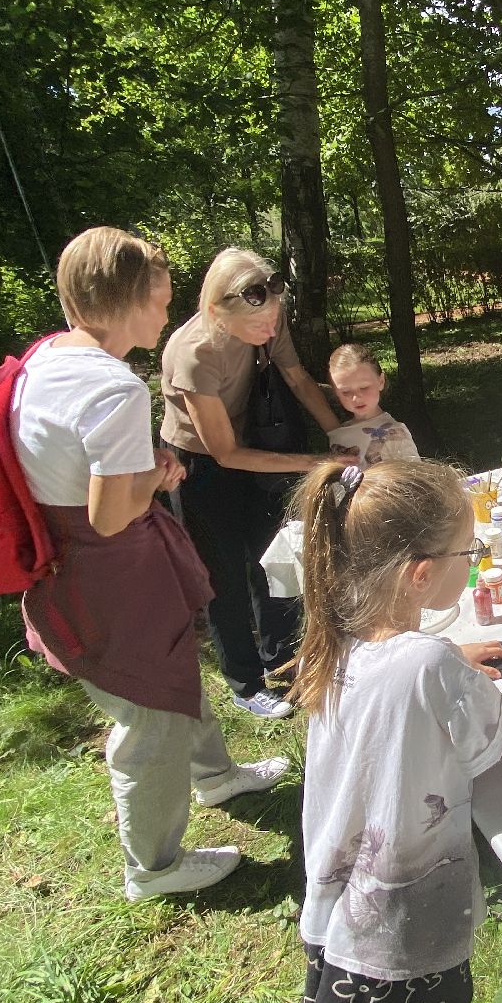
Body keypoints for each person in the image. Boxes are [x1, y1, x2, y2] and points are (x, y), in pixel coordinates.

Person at [12, 227, 287, 901]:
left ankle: (216, 776)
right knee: (147, 722)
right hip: (105, 571)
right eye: (161, 301)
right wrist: (157, 476)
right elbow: (110, 514)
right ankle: (155, 867)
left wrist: (141, 473)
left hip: (79, 563)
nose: (168, 316)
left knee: (173, 673)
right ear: (126, 301)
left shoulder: (45, 357)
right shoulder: (113, 389)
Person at [291, 459, 502, 1003]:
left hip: (336, 915)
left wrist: (452, 655)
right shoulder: (426, 665)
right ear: (421, 575)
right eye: (469, 551)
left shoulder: (335, 631)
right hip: (398, 939)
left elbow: (395, 672)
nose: (475, 560)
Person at [160, 248, 342, 719]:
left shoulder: (267, 314)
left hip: (256, 443)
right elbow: (225, 453)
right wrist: (314, 461)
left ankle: (282, 663)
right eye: (260, 324)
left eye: (275, 318)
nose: (271, 330)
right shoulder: (194, 354)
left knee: (273, 556)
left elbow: (298, 378)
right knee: (224, 576)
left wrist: (339, 434)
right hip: (201, 464)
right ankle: (244, 682)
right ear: (219, 311)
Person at [325, 343, 420, 465]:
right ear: (336, 392)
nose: (356, 397)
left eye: (364, 387)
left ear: (381, 381)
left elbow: (415, 478)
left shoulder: (396, 433)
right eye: (346, 391)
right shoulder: (339, 432)